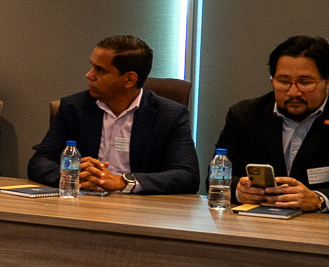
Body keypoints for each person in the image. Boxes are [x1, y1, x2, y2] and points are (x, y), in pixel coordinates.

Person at [27, 34, 196, 194]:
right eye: (92, 66)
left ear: (129, 79)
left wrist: (124, 182)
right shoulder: (74, 108)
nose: (89, 75)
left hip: (139, 206)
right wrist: (74, 177)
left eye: (100, 70)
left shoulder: (170, 115)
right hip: (84, 200)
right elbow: (39, 161)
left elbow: (187, 175)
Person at [216, 34, 329, 213]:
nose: (293, 92)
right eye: (283, 82)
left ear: (327, 82)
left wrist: (319, 199)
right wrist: (239, 191)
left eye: (305, 83)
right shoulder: (244, 115)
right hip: (257, 222)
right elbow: (218, 175)